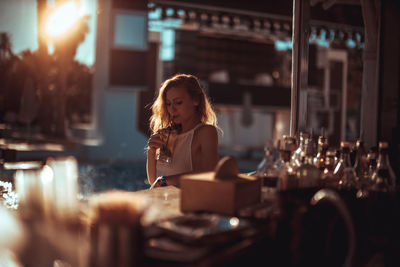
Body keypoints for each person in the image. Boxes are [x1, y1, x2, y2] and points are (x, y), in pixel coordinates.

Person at [146, 74, 220, 188]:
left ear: (196, 100)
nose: (172, 109)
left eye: (178, 102)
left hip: (189, 202)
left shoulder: (205, 132)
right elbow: (154, 181)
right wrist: (151, 151)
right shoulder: (167, 135)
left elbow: (210, 173)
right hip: (165, 202)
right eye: (168, 104)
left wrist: (165, 180)